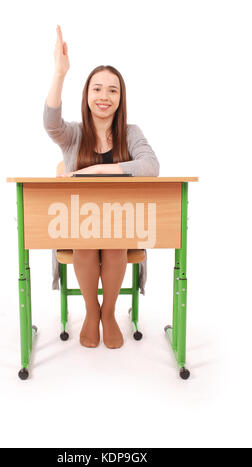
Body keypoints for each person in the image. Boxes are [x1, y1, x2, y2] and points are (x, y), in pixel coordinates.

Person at [43, 25, 160, 350]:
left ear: (120, 99)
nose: (104, 97)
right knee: (84, 242)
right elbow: (51, 124)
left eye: (112, 91)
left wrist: (94, 169)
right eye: (97, 89)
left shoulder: (131, 133)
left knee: (113, 242)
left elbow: (150, 167)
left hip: (119, 225)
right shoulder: (74, 135)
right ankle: (91, 310)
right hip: (78, 225)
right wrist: (60, 73)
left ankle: (108, 313)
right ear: (87, 95)